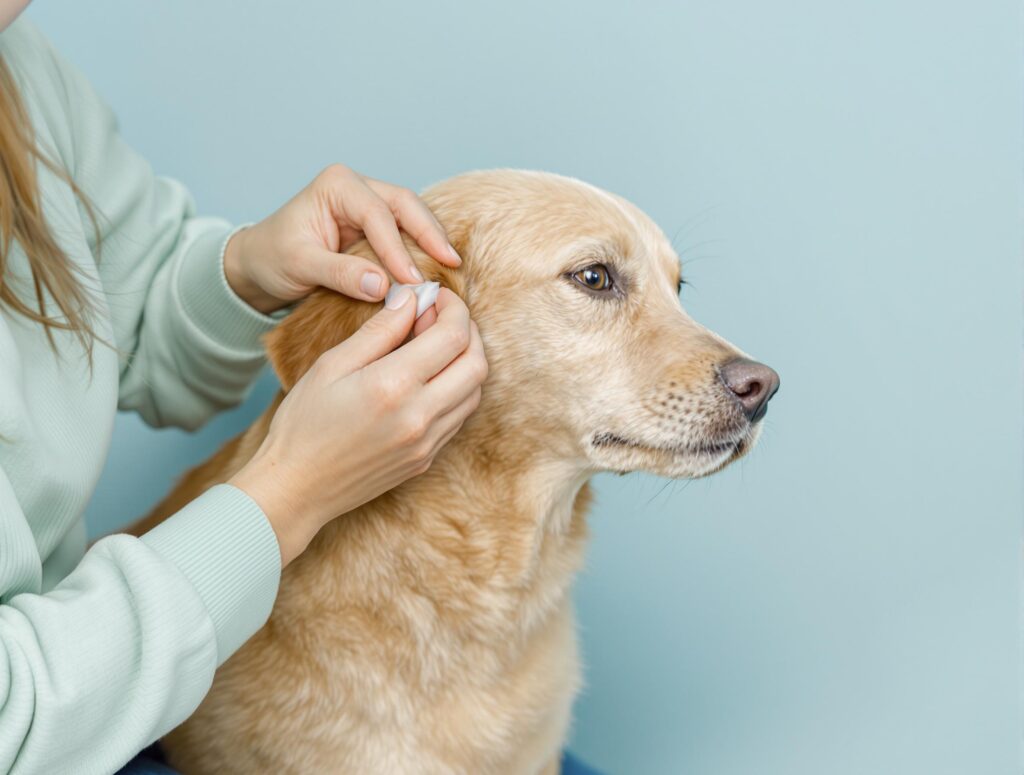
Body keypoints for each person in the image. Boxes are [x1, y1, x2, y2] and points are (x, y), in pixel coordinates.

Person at [0, 5, 489, 773]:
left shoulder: (15, 56)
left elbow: (114, 311)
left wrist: (246, 271)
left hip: (92, 681)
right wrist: (287, 496)